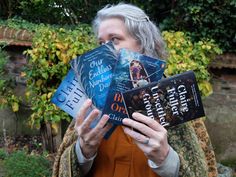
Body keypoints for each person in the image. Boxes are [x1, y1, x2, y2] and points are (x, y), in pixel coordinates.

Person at [52, 3, 218, 177]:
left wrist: (166, 159)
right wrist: (83, 150)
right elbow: (63, 168)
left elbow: (201, 170)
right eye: (101, 42)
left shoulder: (172, 96)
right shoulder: (89, 101)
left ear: (143, 43)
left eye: (114, 39)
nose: (104, 50)